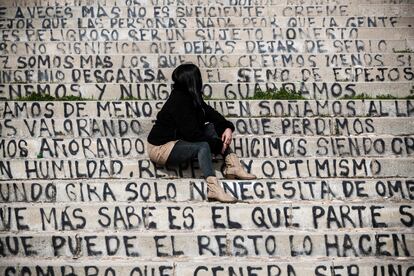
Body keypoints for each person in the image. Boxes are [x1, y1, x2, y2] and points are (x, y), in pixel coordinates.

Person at [147, 63, 256, 203]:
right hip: (160, 148)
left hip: (177, 140)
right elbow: (192, 135)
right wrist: (217, 146)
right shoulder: (178, 101)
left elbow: (211, 114)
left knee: (212, 126)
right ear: (193, 80)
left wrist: (227, 127)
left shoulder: (192, 96)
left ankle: (233, 166)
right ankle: (213, 189)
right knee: (203, 146)